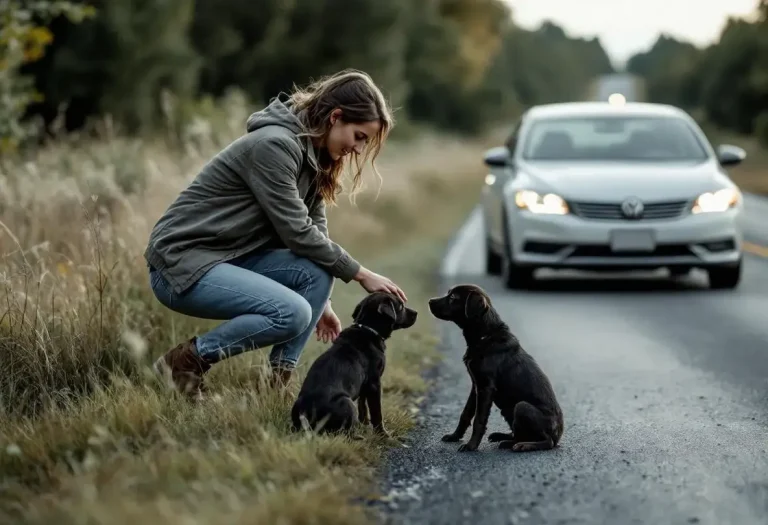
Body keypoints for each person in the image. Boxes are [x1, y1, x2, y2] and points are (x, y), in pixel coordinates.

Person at [145, 69, 408, 399]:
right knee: (293, 313)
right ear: (335, 117)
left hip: (228, 257)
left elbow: (315, 230)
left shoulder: (313, 155)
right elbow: (296, 231)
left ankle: (274, 387)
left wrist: (322, 302)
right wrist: (360, 274)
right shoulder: (274, 146)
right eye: (359, 136)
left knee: (317, 272)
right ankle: (183, 363)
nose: (358, 148)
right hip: (181, 265)